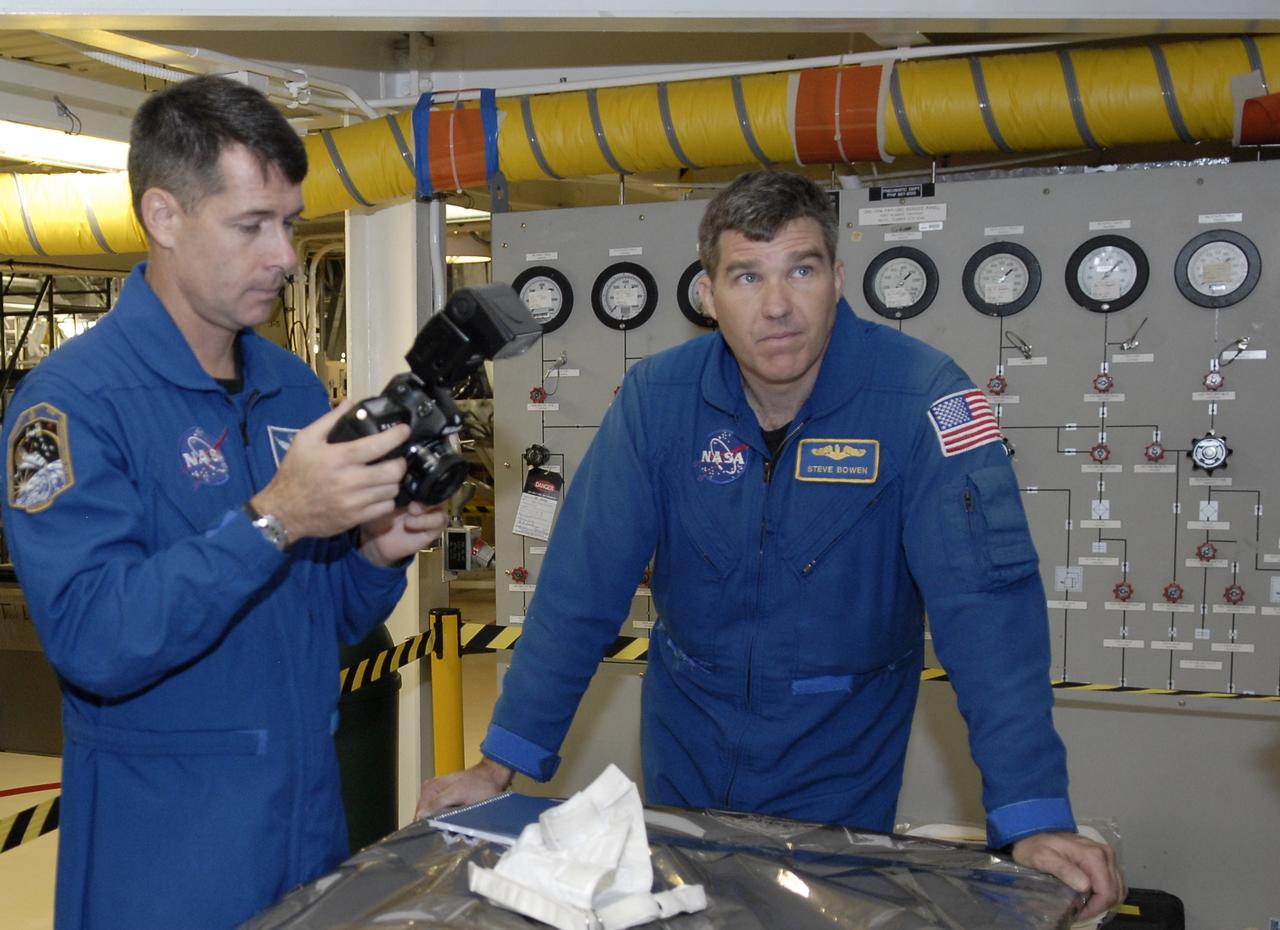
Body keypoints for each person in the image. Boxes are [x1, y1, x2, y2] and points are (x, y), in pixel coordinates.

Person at [417, 170, 1124, 920]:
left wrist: (1033, 813)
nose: (778, 306)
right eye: (747, 276)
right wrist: (500, 765)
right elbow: (578, 590)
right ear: (709, 294)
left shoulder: (923, 400)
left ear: (839, 278)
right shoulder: (659, 402)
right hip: (687, 747)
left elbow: (989, 617)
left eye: (802, 270)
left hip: (838, 764)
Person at [1, 75, 446, 930]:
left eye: (287, 222)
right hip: (166, 849)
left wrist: (376, 553)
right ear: (164, 217)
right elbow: (95, 638)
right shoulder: (73, 406)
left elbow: (320, 614)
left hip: (304, 822)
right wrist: (275, 519)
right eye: (252, 226)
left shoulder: (289, 388)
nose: (284, 254)